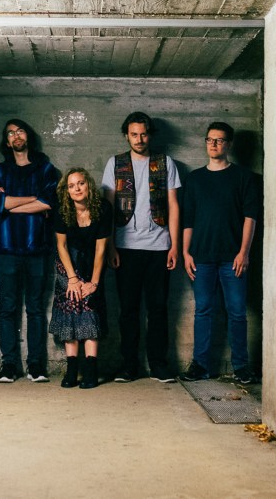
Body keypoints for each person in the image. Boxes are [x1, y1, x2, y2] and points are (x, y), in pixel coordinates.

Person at [101, 112, 181, 383]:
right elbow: (109, 207)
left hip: (159, 246)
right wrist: (110, 246)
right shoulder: (115, 163)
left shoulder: (165, 162)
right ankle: (129, 366)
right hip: (125, 247)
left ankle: (159, 365)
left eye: (143, 134)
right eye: (134, 134)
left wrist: (174, 246)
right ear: (127, 135)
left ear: (150, 134)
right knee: (128, 310)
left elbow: (173, 206)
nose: (139, 139)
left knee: (158, 309)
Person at [180, 122, 260, 384]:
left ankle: (241, 367)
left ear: (229, 144)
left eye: (219, 140)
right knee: (203, 310)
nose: (213, 144)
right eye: (209, 140)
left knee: (237, 311)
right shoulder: (194, 179)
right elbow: (188, 220)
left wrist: (244, 252)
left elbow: (250, 217)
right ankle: (200, 366)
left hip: (232, 258)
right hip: (201, 257)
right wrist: (186, 252)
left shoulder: (244, 178)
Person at [0, 119, 61, 383]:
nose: (16, 136)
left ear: (28, 136)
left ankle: (36, 365)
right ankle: (9, 365)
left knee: (36, 308)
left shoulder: (46, 169)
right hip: (6, 248)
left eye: (20, 131)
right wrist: (33, 199)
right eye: (10, 133)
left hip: (36, 247)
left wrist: (10, 204)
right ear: (7, 142)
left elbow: (49, 201)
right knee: (7, 308)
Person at [50, 168, 113, 389]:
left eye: (81, 183)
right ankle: (71, 369)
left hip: (92, 264)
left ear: (89, 185)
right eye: (71, 186)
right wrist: (73, 279)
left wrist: (94, 283)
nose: (76, 189)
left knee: (89, 307)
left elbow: (101, 248)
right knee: (71, 305)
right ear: (66, 191)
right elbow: (61, 246)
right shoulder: (62, 210)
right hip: (67, 265)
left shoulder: (103, 208)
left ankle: (90, 370)